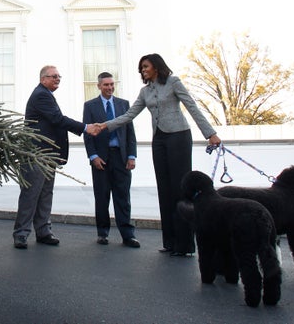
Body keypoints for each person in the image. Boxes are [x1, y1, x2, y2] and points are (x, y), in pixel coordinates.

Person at [89, 54, 221, 257]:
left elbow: (191, 106)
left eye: (146, 67)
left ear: (156, 67)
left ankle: (184, 244)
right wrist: (105, 125)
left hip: (178, 137)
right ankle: (170, 242)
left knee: (180, 189)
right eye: (141, 68)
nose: (143, 70)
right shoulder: (145, 91)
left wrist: (210, 133)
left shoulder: (173, 82)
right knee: (164, 190)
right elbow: (129, 115)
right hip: (159, 140)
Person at [13, 65, 92, 249]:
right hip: (36, 154)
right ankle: (21, 234)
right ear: (43, 79)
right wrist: (86, 128)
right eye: (54, 76)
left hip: (47, 154)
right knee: (31, 194)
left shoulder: (47, 95)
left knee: (45, 193)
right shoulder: (41, 95)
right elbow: (58, 119)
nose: (57, 79)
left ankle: (43, 231)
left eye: (59, 76)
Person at [83, 72, 139, 248]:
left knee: (123, 196)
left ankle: (127, 235)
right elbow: (88, 134)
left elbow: (130, 132)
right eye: (106, 85)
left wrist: (131, 155)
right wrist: (93, 156)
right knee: (102, 196)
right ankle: (103, 233)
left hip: (121, 157)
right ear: (99, 86)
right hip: (101, 157)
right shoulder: (90, 106)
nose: (109, 87)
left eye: (112, 84)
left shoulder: (124, 105)